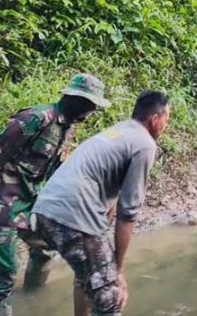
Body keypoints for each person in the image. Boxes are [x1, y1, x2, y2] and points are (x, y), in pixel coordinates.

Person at [0, 73, 109, 316]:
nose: (92, 113)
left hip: (27, 205)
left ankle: (33, 297)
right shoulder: (35, 118)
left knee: (46, 247)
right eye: (92, 106)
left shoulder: (65, 127)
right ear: (81, 102)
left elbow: (55, 170)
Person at [31, 90, 170, 316]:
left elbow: (110, 198)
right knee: (110, 295)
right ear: (155, 118)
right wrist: (118, 270)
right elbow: (128, 213)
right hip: (73, 215)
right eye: (166, 119)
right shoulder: (145, 144)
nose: (165, 125)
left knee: (88, 277)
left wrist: (101, 243)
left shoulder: (120, 131)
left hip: (45, 210)